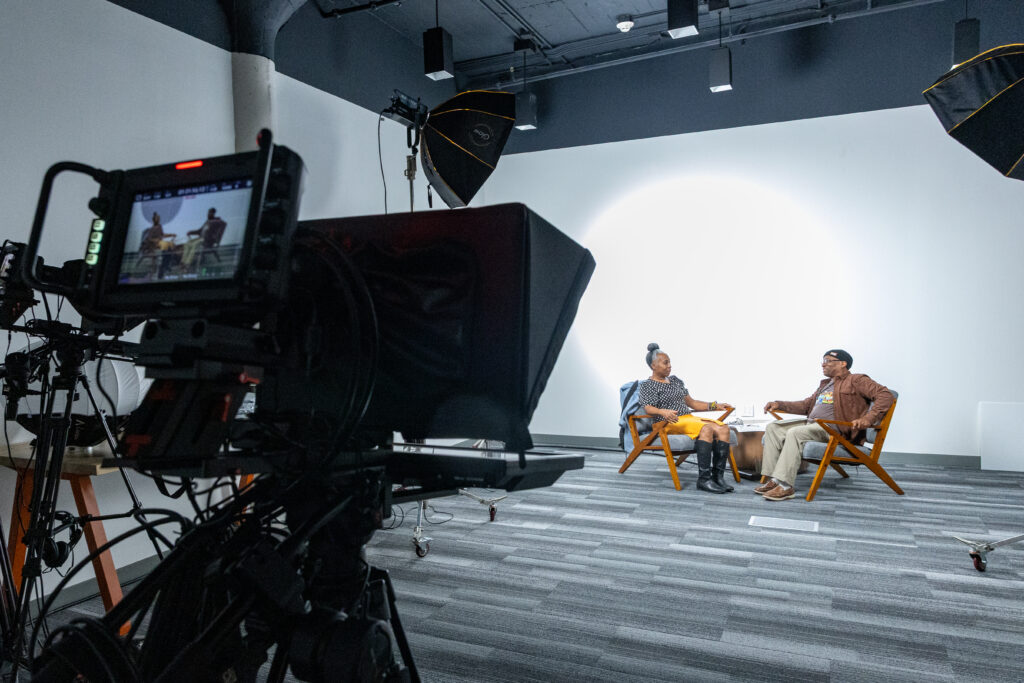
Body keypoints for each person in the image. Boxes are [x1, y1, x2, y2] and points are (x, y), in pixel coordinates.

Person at [756, 349, 893, 501]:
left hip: (834, 430)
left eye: (828, 361)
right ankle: (773, 479)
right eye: (823, 361)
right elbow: (806, 406)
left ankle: (785, 486)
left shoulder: (856, 380)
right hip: (813, 425)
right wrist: (779, 404)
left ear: (843, 364)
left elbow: (885, 395)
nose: (823, 364)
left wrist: (868, 419)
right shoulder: (826, 385)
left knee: (795, 433)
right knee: (773, 427)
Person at [637, 342, 735, 494]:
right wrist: (663, 412)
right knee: (707, 429)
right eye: (665, 363)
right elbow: (648, 408)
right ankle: (703, 479)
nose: (670, 366)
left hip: (687, 418)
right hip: (666, 422)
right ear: (653, 366)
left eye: (669, 362)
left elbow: (693, 403)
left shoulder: (676, 380)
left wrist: (715, 405)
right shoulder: (648, 385)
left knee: (723, 428)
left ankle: (718, 477)